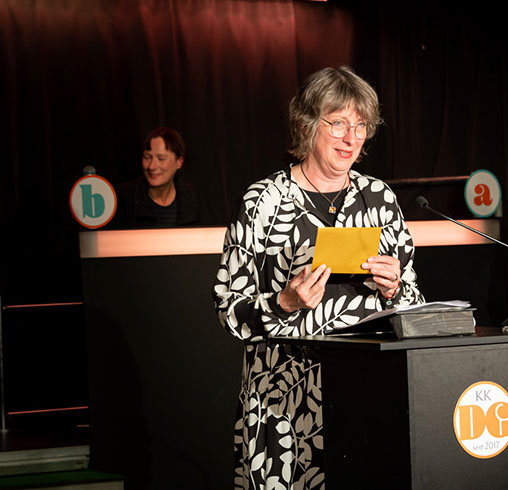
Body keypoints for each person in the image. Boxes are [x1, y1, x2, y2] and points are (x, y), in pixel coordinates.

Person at [212, 66, 424, 490]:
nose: (351, 138)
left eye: (361, 126)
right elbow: (229, 311)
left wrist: (396, 289)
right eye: (339, 123)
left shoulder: (379, 199)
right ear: (308, 123)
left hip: (368, 393)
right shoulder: (263, 202)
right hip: (285, 402)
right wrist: (284, 303)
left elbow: (414, 304)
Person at [112, 126, 210, 228]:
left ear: (179, 162)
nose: (152, 166)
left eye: (161, 158)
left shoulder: (193, 198)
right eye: (147, 157)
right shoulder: (124, 197)